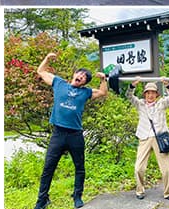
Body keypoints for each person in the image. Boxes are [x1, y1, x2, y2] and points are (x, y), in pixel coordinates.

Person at [31, 54, 110, 209]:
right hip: (58, 134)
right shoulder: (59, 83)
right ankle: (42, 200)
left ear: (85, 82)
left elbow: (102, 93)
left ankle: (77, 196)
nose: (81, 76)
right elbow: (41, 72)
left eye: (85, 77)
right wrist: (46, 59)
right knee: (48, 168)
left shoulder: (85, 92)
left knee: (79, 167)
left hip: (75, 135)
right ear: (74, 75)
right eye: (79, 73)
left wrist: (103, 80)